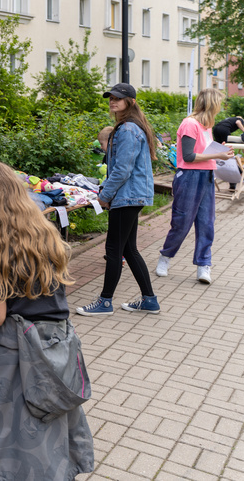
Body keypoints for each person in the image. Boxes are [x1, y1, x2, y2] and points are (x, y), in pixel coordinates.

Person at [0, 161, 94, 480]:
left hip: (21, 350)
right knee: (49, 416)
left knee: (17, 431)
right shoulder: (45, 231)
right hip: (58, 341)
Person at [77, 83, 160, 316]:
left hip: (127, 196)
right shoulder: (130, 127)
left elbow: (122, 170)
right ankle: (150, 300)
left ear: (130, 102)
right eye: (111, 98)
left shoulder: (127, 130)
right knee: (129, 249)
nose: (113, 101)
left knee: (114, 250)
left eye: (118, 98)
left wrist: (104, 196)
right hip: (132, 195)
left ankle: (105, 302)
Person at [155, 89, 234, 284]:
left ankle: (203, 264)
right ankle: (165, 257)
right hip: (189, 177)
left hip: (206, 176)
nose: (221, 107)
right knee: (182, 222)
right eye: (219, 103)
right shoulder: (190, 124)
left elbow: (203, 151)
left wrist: (220, 150)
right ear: (211, 104)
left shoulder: (207, 125)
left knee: (206, 223)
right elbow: (189, 157)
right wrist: (218, 154)